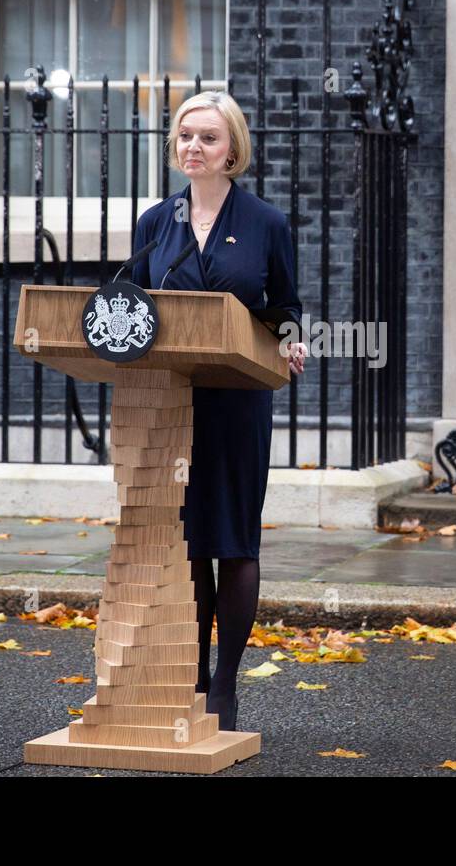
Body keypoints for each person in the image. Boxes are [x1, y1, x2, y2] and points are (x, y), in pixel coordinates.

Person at [128, 90, 307, 733]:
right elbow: (136, 304)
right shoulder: (156, 223)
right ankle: (191, 674)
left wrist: (292, 338)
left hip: (236, 401)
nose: (193, 148)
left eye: (207, 137)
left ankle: (225, 685)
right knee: (186, 542)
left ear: (233, 147)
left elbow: (284, 303)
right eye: (184, 137)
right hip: (171, 398)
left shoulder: (265, 222)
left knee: (232, 538)